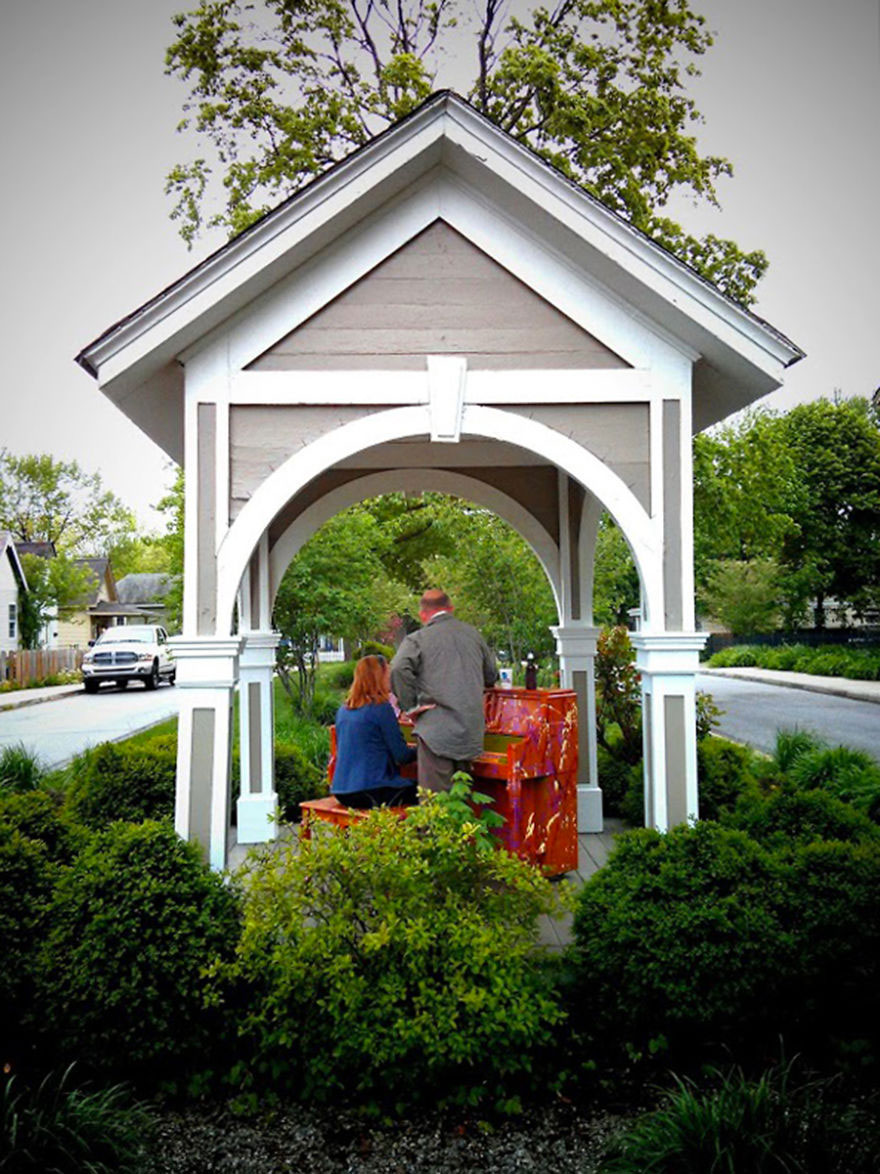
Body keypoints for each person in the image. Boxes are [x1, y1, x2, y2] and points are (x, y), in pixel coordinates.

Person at [390, 589, 498, 792]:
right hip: (471, 732)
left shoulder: (417, 639)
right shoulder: (474, 635)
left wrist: (411, 707)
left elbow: (397, 669)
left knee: (436, 805)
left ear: (423, 614)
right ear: (450, 609)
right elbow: (491, 675)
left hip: (436, 733)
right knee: (463, 800)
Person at [331, 655, 418, 809]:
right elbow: (402, 756)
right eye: (388, 674)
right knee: (428, 791)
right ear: (379, 677)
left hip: (341, 790)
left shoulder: (343, 710)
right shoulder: (381, 708)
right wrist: (424, 746)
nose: (390, 678)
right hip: (370, 790)